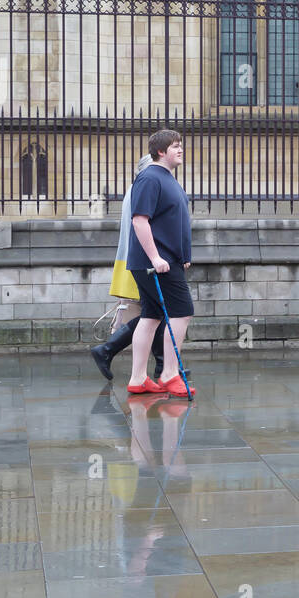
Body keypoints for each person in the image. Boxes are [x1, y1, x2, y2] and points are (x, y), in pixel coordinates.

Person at [125, 129, 195, 398]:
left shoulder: (167, 179)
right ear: (161, 151)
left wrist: (183, 256)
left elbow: (173, 222)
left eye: (180, 146)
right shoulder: (150, 178)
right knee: (182, 313)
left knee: (151, 316)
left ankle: (138, 378)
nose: (180, 150)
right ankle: (169, 373)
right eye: (175, 146)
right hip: (155, 263)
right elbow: (139, 220)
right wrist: (156, 257)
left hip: (166, 261)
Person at [89, 154, 166, 381]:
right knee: (155, 313)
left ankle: (162, 366)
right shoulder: (144, 190)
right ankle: (109, 350)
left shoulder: (134, 190)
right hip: (143, 261)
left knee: (156, 312)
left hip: (132, 260)